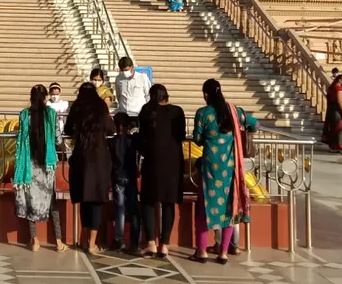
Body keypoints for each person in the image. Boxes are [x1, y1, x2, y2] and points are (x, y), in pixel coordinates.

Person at [190, 78, 255, 264]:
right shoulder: (234, 111)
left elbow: (197, 139)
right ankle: (223, 253)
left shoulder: (203, 113)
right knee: (229, 209)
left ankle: (201, 251)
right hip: (230, 168)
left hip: (210, 167)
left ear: (205, 94)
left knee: (204, 208)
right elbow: (255, 123)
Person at [12, 84, 66, 251]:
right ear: (45, 98)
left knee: (30, 201)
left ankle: (34, 240)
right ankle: (58, 242)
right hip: (47, 164)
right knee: (51, 201)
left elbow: (20, 138)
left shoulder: (23, 115)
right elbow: (57, 139)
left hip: (29, 164)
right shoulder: (50, 113)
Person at [65, 82, 114, 254]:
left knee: (84, 198)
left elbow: (67, 128)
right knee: (96, 200)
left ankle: (85, 240)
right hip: (99, 156)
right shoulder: (101, 106)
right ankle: (92, 243)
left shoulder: (77, 106)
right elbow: (110, 128)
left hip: (81, 156)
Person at [138, 85, 186, 258]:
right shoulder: (177, 111)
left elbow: (141, 136)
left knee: (148, 201)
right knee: (169, 201)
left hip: (152, 160)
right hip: (173, 161)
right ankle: (164, 245)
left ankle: (151, 243)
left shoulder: (146, 111)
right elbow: (181, 134)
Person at [107, 111, 139, 252]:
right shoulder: (133, 140)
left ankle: (119, 239)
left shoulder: (112, 141)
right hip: (131, 175)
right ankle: (135, 240)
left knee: (119, 208)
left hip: (117, 175)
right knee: (133, 208)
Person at [322, 72, 342, 153]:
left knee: (334, 127)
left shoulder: (332, 87)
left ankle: (334, 146)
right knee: (341, 128)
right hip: (338, 110)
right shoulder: (339, 88)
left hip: (332, 110)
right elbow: (340, 101)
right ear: (340, 80)